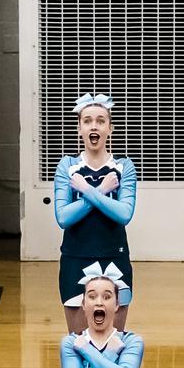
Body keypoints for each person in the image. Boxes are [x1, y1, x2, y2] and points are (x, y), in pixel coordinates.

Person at [55, 94, 136, 334]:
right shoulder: (67, 166)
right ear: (79, 128)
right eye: (87, 121)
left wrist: (87, 191)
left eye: (101, 121)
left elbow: (124, 213)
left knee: (113, 344)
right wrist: (101, 190)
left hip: (114, 257)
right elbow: (63, 217)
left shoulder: (124, 166)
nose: (94, 126)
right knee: (79, 343)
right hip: (75, 259)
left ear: (110, 128)